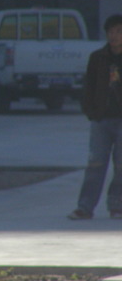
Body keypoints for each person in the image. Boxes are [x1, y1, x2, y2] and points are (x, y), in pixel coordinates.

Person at [68, 14, 122, 220]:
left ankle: (117, 205)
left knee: (121, 166)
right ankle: (85, 206)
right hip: (101, 119)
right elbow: (88, 87)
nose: (114, 36)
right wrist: (90, 111)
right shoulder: (98, 58)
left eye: (118, 31)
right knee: (95, 164)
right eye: (111, 32)